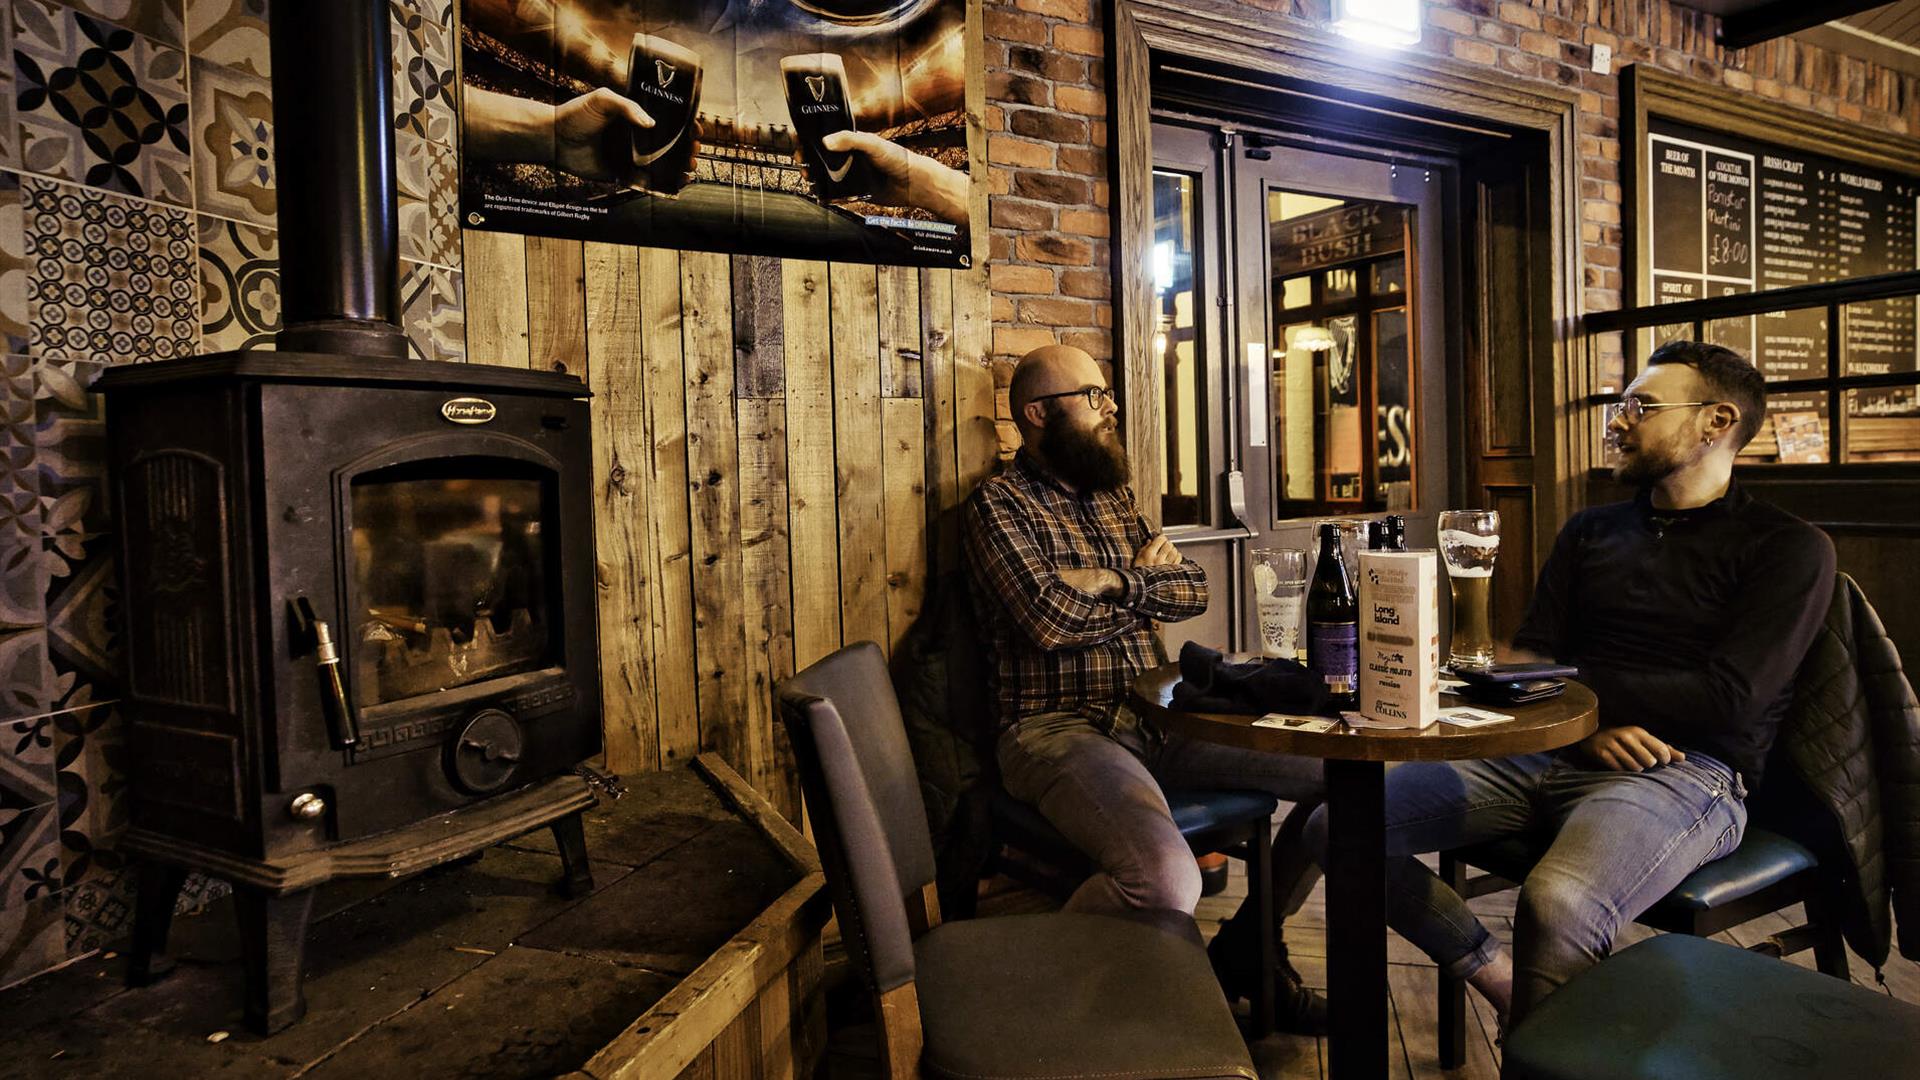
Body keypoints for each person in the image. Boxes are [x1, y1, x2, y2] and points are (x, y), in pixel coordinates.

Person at [1305, 340, 1836, 1025]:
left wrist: (1572, 698)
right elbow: (1536, 655)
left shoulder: (1788, 546)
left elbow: (1727, 697)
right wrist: (1586, 726)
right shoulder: (1592, 529)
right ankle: (1494, 975)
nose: (1617, 421)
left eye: (1639, 406)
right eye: (1621, 405)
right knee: (1336, 827)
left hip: (1684, 771)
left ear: (1717, 421)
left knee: (1557, 903)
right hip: (1550, 748)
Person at [963, 344, 1328, 1033]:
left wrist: (1110, 580)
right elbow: (1047, 619)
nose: (1112, 408)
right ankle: (1036, 1017)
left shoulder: (1113, 498)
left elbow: (1191, 588)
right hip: (1057, 729)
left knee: (1347, 778)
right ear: (1042, 413)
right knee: (1166, 880)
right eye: (1095, 396)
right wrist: (1145, 585)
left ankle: (1250, 951)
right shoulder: (998, 507)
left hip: (1162, 721)